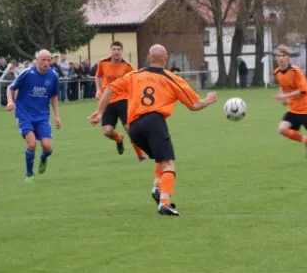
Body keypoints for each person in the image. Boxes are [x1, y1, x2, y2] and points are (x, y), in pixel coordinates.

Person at [88, 44, 217, 216]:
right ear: (166, 58)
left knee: (159, 157)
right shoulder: (172, 78)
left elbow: (110, 88)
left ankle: (157, 187)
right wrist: (208, 100)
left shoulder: (134, 75)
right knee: (168, 164)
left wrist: (100, 112)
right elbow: (194, 105)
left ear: (149, 58)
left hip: (134, 127)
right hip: (154, 122)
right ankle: (164, 202)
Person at [6, 50, 61, 182]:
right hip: (25, 114)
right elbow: (10, 87)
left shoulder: (53, 76)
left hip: (42, 116)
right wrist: (10, 101)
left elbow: (54, 96)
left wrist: (57, 115)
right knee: (31, 144)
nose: (46, 63)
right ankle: (29, 174)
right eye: (43, 60)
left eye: (49, 60)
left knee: (47, 147)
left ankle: (43, 157)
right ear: (37, 60)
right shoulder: (27, 73)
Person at [95, 41, 146, 161]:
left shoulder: (127, 66)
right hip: (107, 100)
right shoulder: (103, 63)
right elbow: (98, 76)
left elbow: (136, 81)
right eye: (114, 49)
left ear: (122, 51)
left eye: (118, 49)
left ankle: (141, 156)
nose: (116, 51)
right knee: (107, 131)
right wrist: (98, 90)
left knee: (130, 129)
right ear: (110, 50)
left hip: (123, 100)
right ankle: (118, 138)